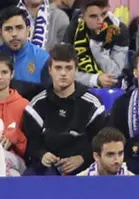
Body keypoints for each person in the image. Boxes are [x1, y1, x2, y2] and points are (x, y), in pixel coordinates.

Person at [23, 43, 107, 175]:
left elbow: (100, 143)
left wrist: (83, 158)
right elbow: (32, 144)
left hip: (84, 169)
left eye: (68, 68)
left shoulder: (93, 105)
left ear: (75, 70)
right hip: (47, 170)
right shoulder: (36, 105)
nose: (63, 73)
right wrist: (42, 155)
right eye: (58, 68)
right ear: (50, 70)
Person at [0, 6, 50, 85]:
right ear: (0, 33)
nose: (14, 34)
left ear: (28, 31)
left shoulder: (43, 59)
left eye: (19, 28)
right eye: (8, 29)